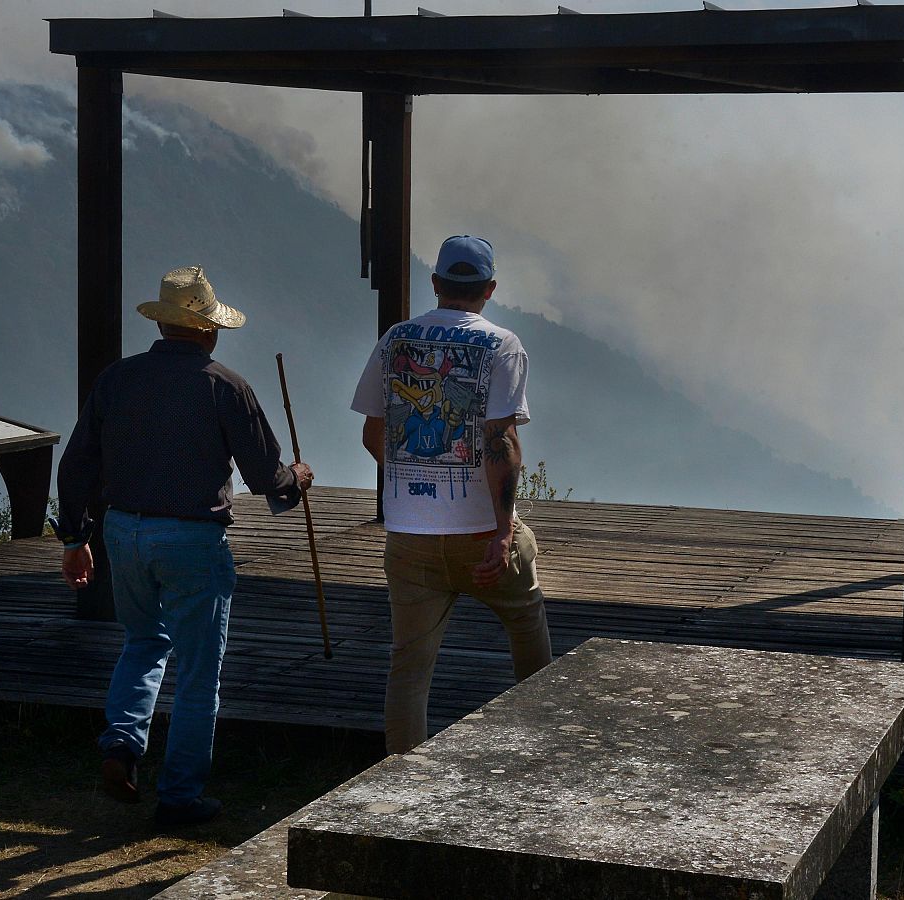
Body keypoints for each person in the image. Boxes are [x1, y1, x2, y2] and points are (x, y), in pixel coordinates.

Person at [55, 265, 314, 827]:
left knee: (143, 640)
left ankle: (122, 746)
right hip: (194, 538)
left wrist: (75, 538)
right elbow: (266, 479)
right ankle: (179, 797)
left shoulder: (116, 380)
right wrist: (298, 477)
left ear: (166, 325)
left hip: (122, 531)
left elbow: (76, 465)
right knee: (199, 671)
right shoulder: (226, 386)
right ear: (209, 329)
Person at [350, 235, 552, 754]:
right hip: (480, 530)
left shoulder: (397, 340)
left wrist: (418, 483)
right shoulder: (502, 345)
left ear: (436, 283)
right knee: (527, 628)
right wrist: (504, 530)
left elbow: (374, 434)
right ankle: (545, 749)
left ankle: (398, 782)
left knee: (409, 668)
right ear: (489, 289)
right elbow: (500, 439)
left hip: (410, 533)